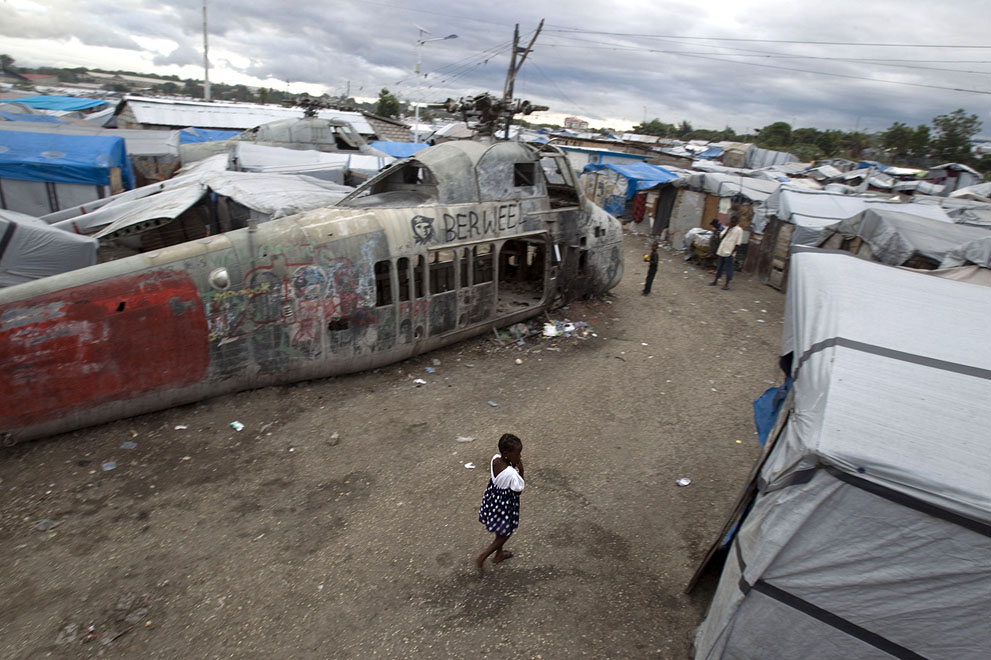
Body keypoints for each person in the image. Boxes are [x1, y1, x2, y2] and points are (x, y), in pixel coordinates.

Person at [476, 433, 525, 567]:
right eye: (517, 454)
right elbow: (518, 490)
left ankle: (499, 554)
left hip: (493, 499)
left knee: (500, 529)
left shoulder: (495, 459)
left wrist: (512, 463)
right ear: (506, 453)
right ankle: (483, 556)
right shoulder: (512, 473)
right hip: (505, 504)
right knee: (507, 532)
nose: (519, 457)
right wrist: (521, 470)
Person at [710, 217, 744, 290]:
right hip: (722, 250)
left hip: (729, 252)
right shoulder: (728, 228)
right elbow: (721, 236)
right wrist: (728, 229)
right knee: (719, 267)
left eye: (734, 221)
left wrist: (732, 253)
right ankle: (715, 281)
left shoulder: (739, 230)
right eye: (731, 221)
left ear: (737, 222)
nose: (732, 222)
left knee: (729, 268)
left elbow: (738, 243)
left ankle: (726, 284)